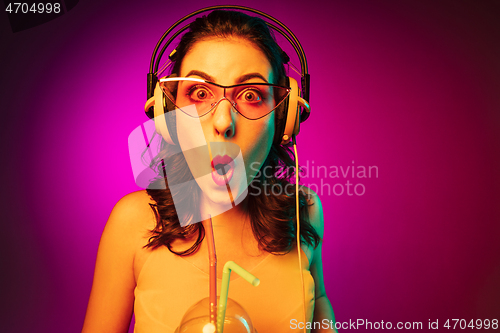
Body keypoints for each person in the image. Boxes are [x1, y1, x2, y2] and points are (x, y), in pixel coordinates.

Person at [82, 8, 336, 333]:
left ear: (283, 118)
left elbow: (320, 310)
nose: (223, 123)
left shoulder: (305, 212)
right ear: (168, 112)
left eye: (250, 95)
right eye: (200, 94)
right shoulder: (132, 222)